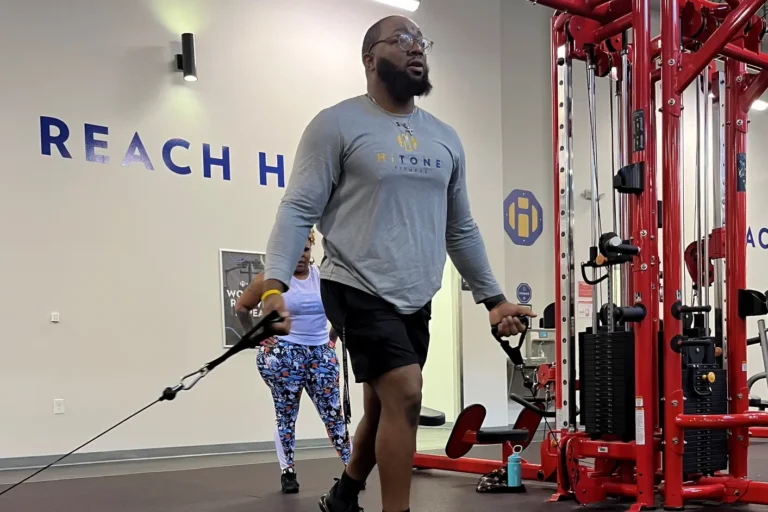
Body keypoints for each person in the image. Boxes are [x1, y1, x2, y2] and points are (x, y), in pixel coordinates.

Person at [260, 15, 535, 512]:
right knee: (407, 394)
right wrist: (274, 285)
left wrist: (492, 299)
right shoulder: (336, 124)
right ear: (369, 58)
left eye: (421, 41)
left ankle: (343, 496)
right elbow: (298, 207)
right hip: (354, 283)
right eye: (401, 40)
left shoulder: (445, 138)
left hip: (416, 290)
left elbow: (461, 228)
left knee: (381, 405)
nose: (416, 50)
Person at [235, 229, 352, 494]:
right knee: (286, 415)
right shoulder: (273, 281)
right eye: (295, 250)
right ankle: (288, 471)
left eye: (305, 250)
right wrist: (256, 336)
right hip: (285, 354)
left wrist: (330, 340)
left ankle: (352, 468)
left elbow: (341, 313)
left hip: (319, 352)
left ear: (311, 252)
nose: (300, 256)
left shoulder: (323, 279)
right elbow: (241, 306)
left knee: (334, 415)